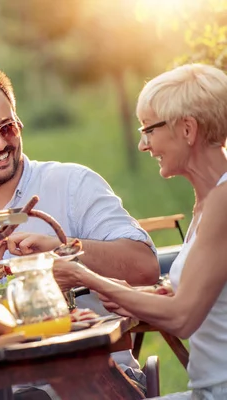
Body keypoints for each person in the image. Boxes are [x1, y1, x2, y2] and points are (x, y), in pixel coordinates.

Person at [0, 69, 160, 393]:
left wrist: (65, 250)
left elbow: (145, 266)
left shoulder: (72, 184)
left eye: (7, 127)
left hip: (94, 383)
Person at [54, 64, 227, 399]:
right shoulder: (207, 201)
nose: (142, 145)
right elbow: (197, 298)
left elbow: (182, 318)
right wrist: (132, 295)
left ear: (187, 129)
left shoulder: (223, 202)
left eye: (148, 130)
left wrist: (85, 276)